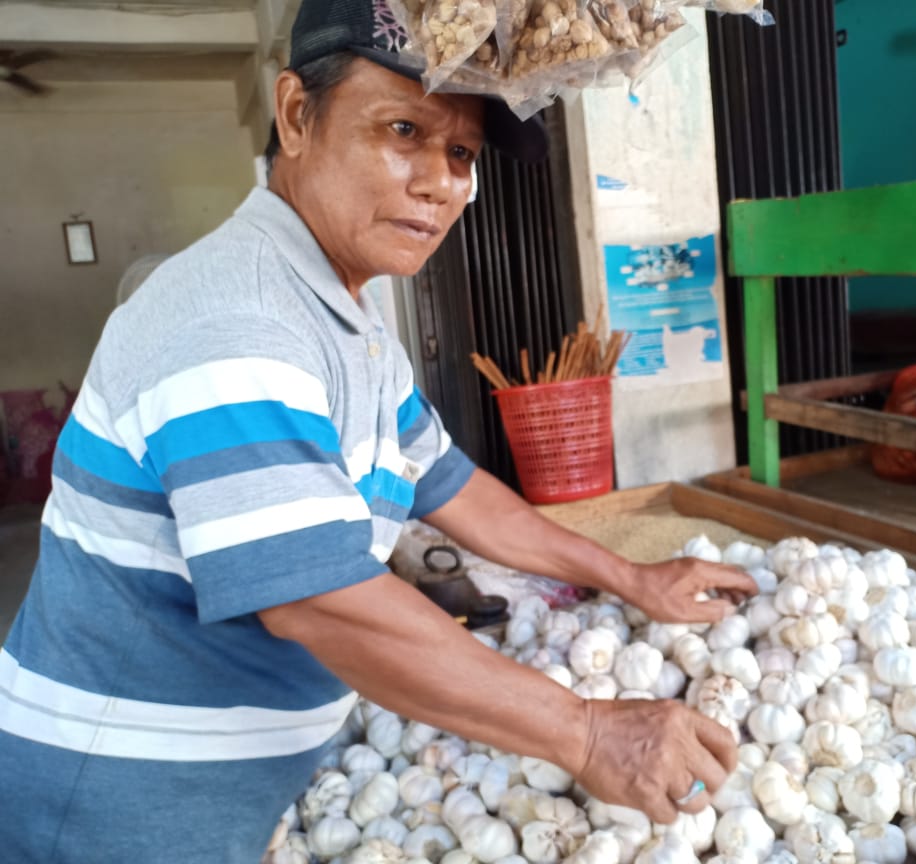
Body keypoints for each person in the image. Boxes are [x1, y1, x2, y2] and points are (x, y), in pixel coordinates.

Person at [0, 0, 757, 859]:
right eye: (402, 130)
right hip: (114, 813)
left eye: (461, 152)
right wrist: (584, 733)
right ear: (295, 116)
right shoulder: (236, 323)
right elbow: (322, 602)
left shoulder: (346, 322)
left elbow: (457, 490)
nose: (440, 182)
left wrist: (634, 578)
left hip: (227, 801)